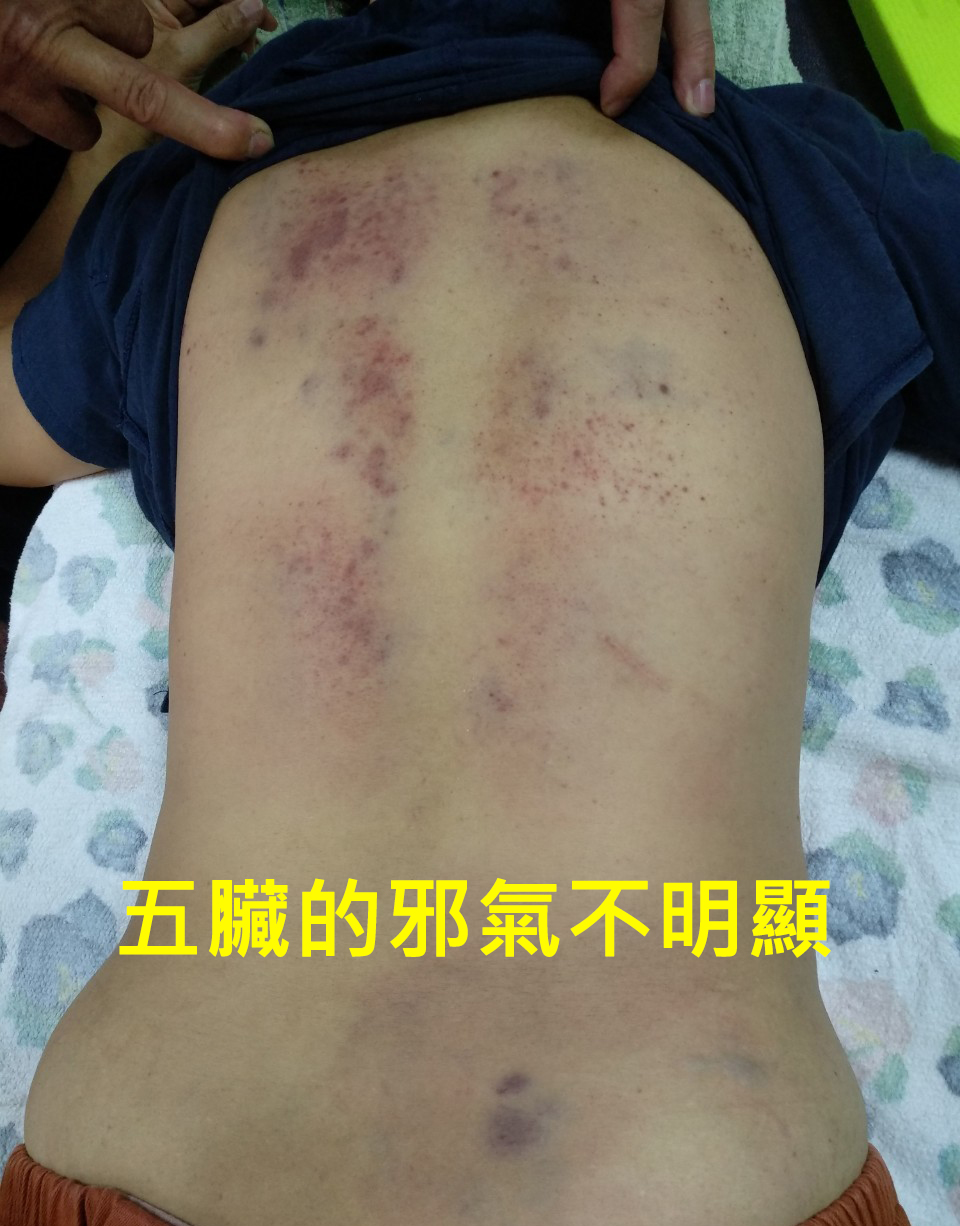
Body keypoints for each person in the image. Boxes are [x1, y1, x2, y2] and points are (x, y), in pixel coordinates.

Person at [2, 0, 957, 1221]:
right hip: (686, 1170)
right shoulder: (794, 170)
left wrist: (100, 170)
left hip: (164, 1143)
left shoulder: (180, 207)